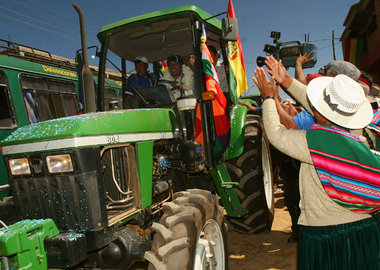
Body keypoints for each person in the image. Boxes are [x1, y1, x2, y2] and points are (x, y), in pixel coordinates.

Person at [253, 65, 380, 269]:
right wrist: (287, 81)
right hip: (364, 227)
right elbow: (323, 108)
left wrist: (268, 99)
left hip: (326, 233)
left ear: (320, 111)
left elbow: (277, 135)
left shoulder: (316, 142)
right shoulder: (359, 131)